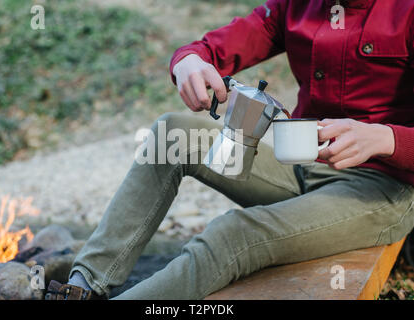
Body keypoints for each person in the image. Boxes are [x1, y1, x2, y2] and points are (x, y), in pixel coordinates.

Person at [46, 0, 414, 300]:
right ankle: (82, 287)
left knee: (233, 234)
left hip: (380, 189)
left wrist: (387, 138)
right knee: (172, 134)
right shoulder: (297, 6)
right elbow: (217, 45)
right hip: (302, 163)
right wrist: (188, 61)